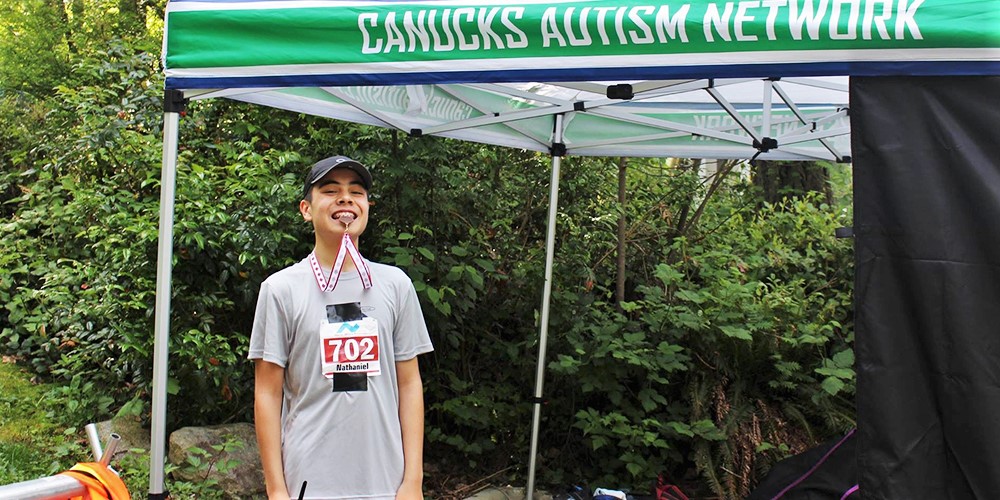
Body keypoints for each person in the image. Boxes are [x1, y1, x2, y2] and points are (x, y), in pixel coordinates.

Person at [248, 155, 434, 500]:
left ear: (367, 206)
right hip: (309, 481)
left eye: (356, 192)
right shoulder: (280, 289)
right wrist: (276, 489)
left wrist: (413, 481)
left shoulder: (396, 284)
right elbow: (267, 393)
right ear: (306, 209)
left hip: (386, 482)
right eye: (330, 191)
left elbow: (410, 384)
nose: (345, 198)